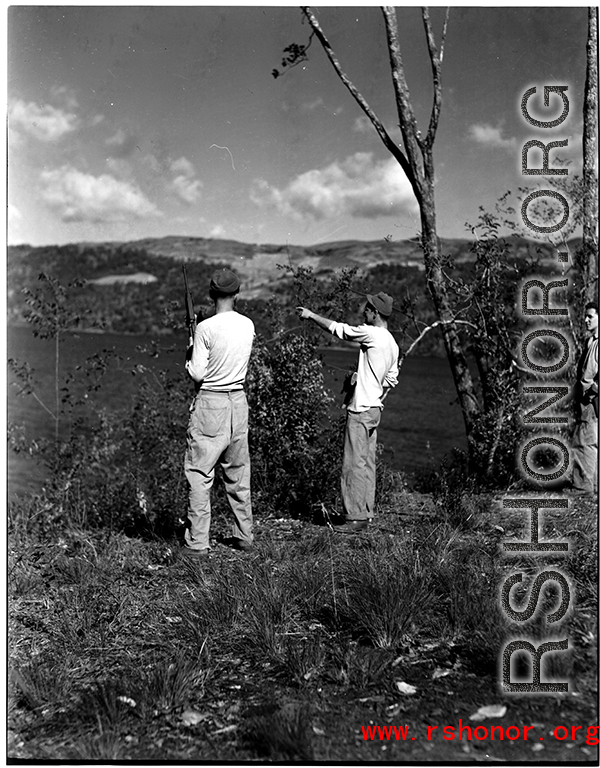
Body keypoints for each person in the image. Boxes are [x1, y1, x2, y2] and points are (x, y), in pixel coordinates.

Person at [297, 292, 399, 532]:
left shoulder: (371, 333)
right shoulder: (392, 343)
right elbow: (391, 379)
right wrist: (368, 381)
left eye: (367, 308)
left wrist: (310, 315)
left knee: (353, 463)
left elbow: (339, 330)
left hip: (361, 409)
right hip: (374, 408)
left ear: (376, 312)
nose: (364, 311)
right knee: (367, 463)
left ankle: (354, 518)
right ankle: (365, 512)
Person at [182, 268, 255, 558]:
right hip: (238, 401)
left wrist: (189, 354)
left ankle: (198, 542)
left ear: (212, 294)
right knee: (238, 472)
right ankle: (244, 534)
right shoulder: (247, 325)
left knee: (200, 472)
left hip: (211, 402)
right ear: (237, 294)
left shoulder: (204, 329)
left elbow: (198, 374)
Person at [569, 300, 598, 496]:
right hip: (589, 398)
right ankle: (591, 485)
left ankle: (584, 487)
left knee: (584, 441)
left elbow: (589, 377)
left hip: (591, 399)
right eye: (586, 316)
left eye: (591, 316)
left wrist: (589, 393)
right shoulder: (591, 341)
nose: (586, 319)